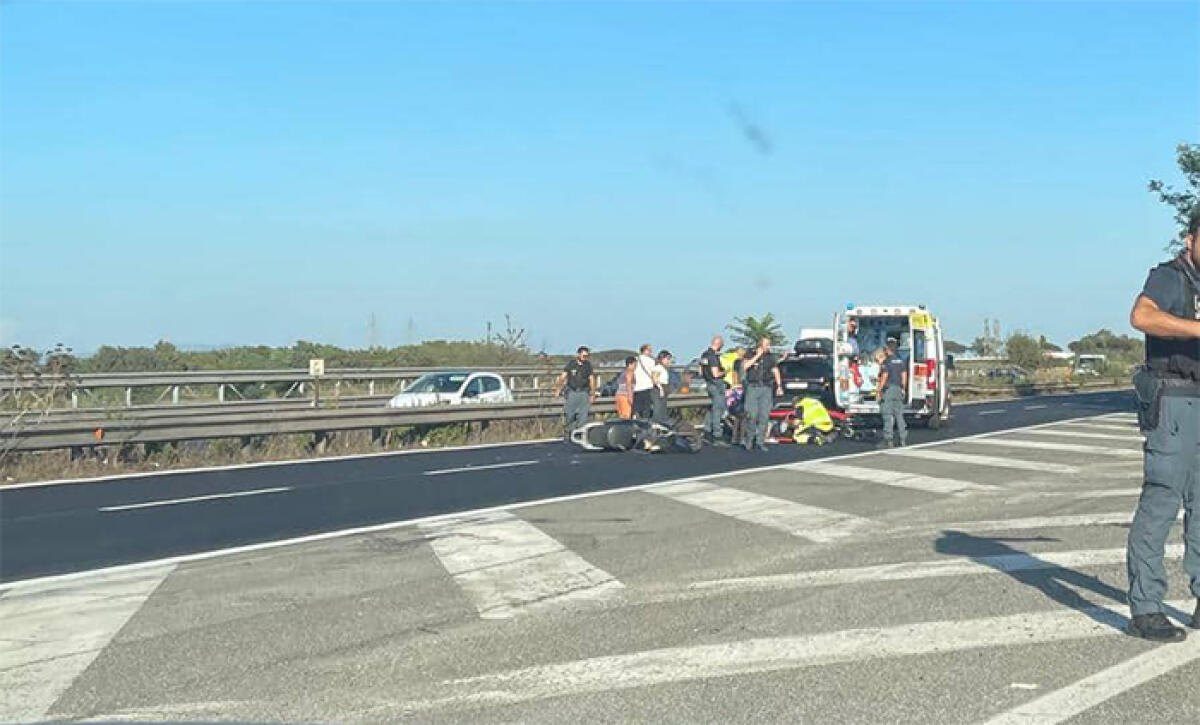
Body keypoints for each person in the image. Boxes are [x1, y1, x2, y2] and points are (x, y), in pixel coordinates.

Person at [1125, 208, 1200, 643]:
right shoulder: (1169, 277)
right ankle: (1147, 607)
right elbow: (1142, 316)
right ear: (1191, 240)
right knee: (1161, 503)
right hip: (1173, 402)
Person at [740, 336, 783, 451]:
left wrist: (779, 386)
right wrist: (757, 356)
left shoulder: (770, 357)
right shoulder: (750, 353)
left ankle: (760, 441)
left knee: (764, 416)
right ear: (760, 345)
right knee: (752, 415)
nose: (768, 346)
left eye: (769, 344)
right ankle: (749, 440)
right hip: (753, 388)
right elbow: (745, 366)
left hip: (766, 387)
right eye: (766, 344)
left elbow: (775, 370)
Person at [554, 345, 596, 436]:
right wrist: (558, 389)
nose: (585, 358)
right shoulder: (571, 364)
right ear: (578, 355)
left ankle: (580, 433)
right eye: (583, 356)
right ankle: (568, 431)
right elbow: (562, 377)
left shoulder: (588, 365)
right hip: (572, 392)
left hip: (584, 392)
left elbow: (592, 379)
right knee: (570, 414)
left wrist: (592, 393)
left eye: (586, 356)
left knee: (583, 415)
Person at [876, 337, 907, 448]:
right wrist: (903, 388)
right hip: (898, 389)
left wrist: (879, 390)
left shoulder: (886, 362)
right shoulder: (901, 361)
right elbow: (904, 376)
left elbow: (884, 376)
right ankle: (902, 439)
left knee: (887, 415)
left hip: (889, 390)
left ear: (887, 349)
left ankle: (888, 440)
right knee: (899, 415)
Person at [699, 336, 729, 446]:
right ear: (719, 344)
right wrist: (725, 372)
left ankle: (706, 431)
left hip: (708, 383)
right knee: (718, 408)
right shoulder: (713, 357)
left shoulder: (704, 355)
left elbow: (701, 372)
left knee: (712, 408)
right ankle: (717, 435)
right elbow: (716, 374)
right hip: (716, 384)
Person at [633, 344, 656, 419]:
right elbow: (653, 374)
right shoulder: (651, 361)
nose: (651, 352)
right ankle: (645, 424)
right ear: (645, 350)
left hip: (636, 387)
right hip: (647, 387)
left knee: (638, 409)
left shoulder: (635, 360)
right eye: (650, 350)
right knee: (646, 409)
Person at [651, 350, 673, 424]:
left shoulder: (664, 369)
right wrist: (660, 388)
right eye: (667, 359)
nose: (669, 361)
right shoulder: (658, 367)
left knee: (663, 407)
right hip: (659, 388)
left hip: (664, 387)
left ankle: (662, 422)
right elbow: (654, 379)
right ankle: (657, 422)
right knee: (658, 408)